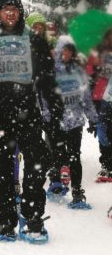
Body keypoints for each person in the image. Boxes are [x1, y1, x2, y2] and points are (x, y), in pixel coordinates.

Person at [0, 0, 63, 243]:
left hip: (28, 112)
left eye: (15, 8)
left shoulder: (34, 41)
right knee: (2, 171)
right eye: (5, 9)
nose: (10, 13)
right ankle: (5, 221)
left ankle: (32, 217)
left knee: (35, 165)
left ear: (20, 12)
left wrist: (54, 108)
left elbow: (48, 78)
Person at [43, 42, 97, 208]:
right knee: (57, 155)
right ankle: (56, 183)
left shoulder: (78, 71)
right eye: (63, 51)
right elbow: (44, 97)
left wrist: (93, 119)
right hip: (56, 122)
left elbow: (86, 98)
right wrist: (46, 118)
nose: (65, 54)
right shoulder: (50, 72)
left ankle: (77, 191)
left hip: (75, 121)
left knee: (74, 157)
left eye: (69, 51)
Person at [86, 28, 112, 182]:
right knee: (103, 132)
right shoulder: (97, 53)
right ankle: (107, 164)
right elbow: (89, 73)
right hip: (101, 97)